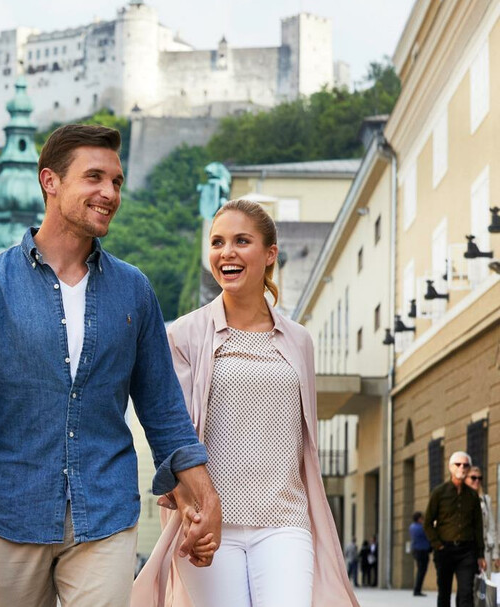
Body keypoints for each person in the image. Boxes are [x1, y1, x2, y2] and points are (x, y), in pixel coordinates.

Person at [0, 123, 220, 606]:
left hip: (105, 512)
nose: (109, 193)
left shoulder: (135, 292)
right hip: (10, 512)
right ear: (51, 182)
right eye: (94, 178)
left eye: (117, 182)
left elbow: (165, 413)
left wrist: (204, 497)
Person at [133, 199, 359, 607]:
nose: (226, 253)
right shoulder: (184, 335)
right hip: (210, 526)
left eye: (241, 241)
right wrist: (189, 511)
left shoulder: (299, 341)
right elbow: (172, 435)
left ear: (270, 254)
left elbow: (303, 441)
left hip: (286, 521)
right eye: (217, 242)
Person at [425, 451, 485, 607]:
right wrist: (438, 545)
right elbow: (428, 523)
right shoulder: (439, 492)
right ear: (450, 467)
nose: (462, 467)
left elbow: (478, 526)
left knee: (466, 592)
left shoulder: (472, 495)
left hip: (467, 551)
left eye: (465, 465)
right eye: (458, 464)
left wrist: (480, 554)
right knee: (444, 593)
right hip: (445, 549)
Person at [467, 465, 500, 572]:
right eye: (473, 478)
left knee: (484, 585)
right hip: (467, 550)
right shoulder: (461, 500)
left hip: (485, 550)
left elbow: (492, 527)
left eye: (479, 478)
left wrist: (495, 554)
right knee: (468, 585)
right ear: (466, 479)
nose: (477, 481)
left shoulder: (486, 499)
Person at [410, 512, 431, 597]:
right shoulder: (421, 528)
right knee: (422, 571)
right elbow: (428, 535)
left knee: (420, 570)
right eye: (422, 518)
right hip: (422, 551)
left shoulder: (412, 527)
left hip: (416, 550)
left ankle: (417, 589)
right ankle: (417, 590)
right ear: (419, 519)